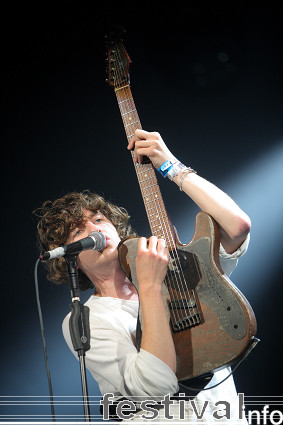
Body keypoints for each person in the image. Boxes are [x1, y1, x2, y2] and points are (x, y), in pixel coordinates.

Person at [36, 129, 251, 423]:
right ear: (69, 256)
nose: (96, 230)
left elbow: (237, 227)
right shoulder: (86, 320)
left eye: (99, 219)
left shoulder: (173, 275)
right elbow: (154, 389)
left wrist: (172, 167)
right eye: (78, 230)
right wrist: (149, 287)